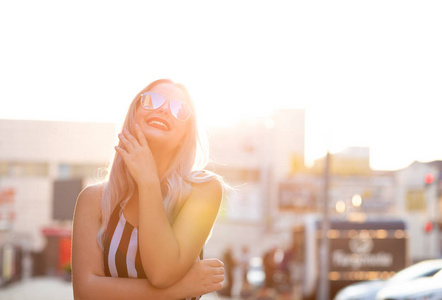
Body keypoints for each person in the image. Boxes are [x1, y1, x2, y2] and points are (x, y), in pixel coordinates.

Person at [72, 79, 227, 300]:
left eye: (179, 109)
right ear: (133, 114)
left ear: (186, 133)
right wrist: (181, 288)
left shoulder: (203, 189)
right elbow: (85, 293)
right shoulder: (93, 199)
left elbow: (161, 273)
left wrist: (148, 180)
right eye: (153, 100)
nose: (164, 109)